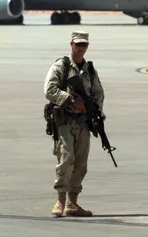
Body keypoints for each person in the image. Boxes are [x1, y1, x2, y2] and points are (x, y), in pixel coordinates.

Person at [44, 30, 105, 217]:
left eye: (84, 45)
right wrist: (70, 100)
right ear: (71, 44)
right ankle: (60, 201)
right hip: (65, 121)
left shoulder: (90, 70)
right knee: (66, 159)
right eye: (78, 44)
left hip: (83, 124)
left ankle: (72, 203)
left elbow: (98, 93)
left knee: (80, 163)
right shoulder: (60, 66)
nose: (81, 48)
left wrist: (96, 114)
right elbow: (49, 90)